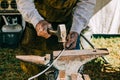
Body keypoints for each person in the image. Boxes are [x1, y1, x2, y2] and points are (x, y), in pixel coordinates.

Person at [16, 0, 96, 79]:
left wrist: (75, 29)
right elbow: (24, 1)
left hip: (67, 27)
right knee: (37, 71)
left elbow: (86, 3)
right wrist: (37, 20)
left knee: (68, 71)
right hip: (36, 26)